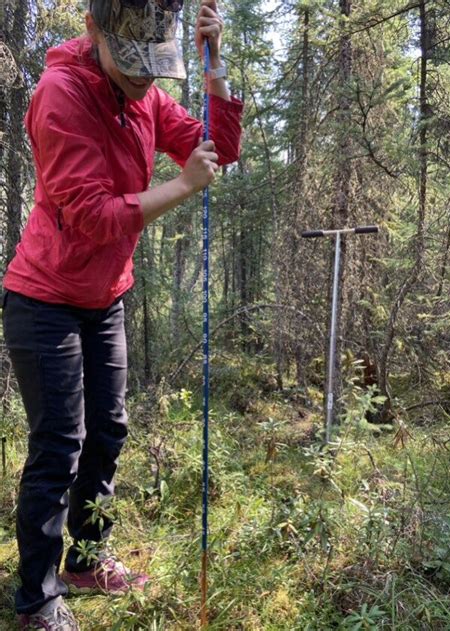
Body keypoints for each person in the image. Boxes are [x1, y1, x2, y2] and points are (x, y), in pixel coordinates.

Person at [2, 0, 242, 629]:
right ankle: (37, 598)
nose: (145, 79)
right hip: (43, 299)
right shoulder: (61, 94)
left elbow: (219, 150)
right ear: (95, 32)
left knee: (107, 434)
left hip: (104, 296)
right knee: (59, 447)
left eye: (154, 67)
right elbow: (91, 215)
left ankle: (84, 559)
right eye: (134, 65)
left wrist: (214, 63)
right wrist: (183, 186)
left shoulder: (144, 97)